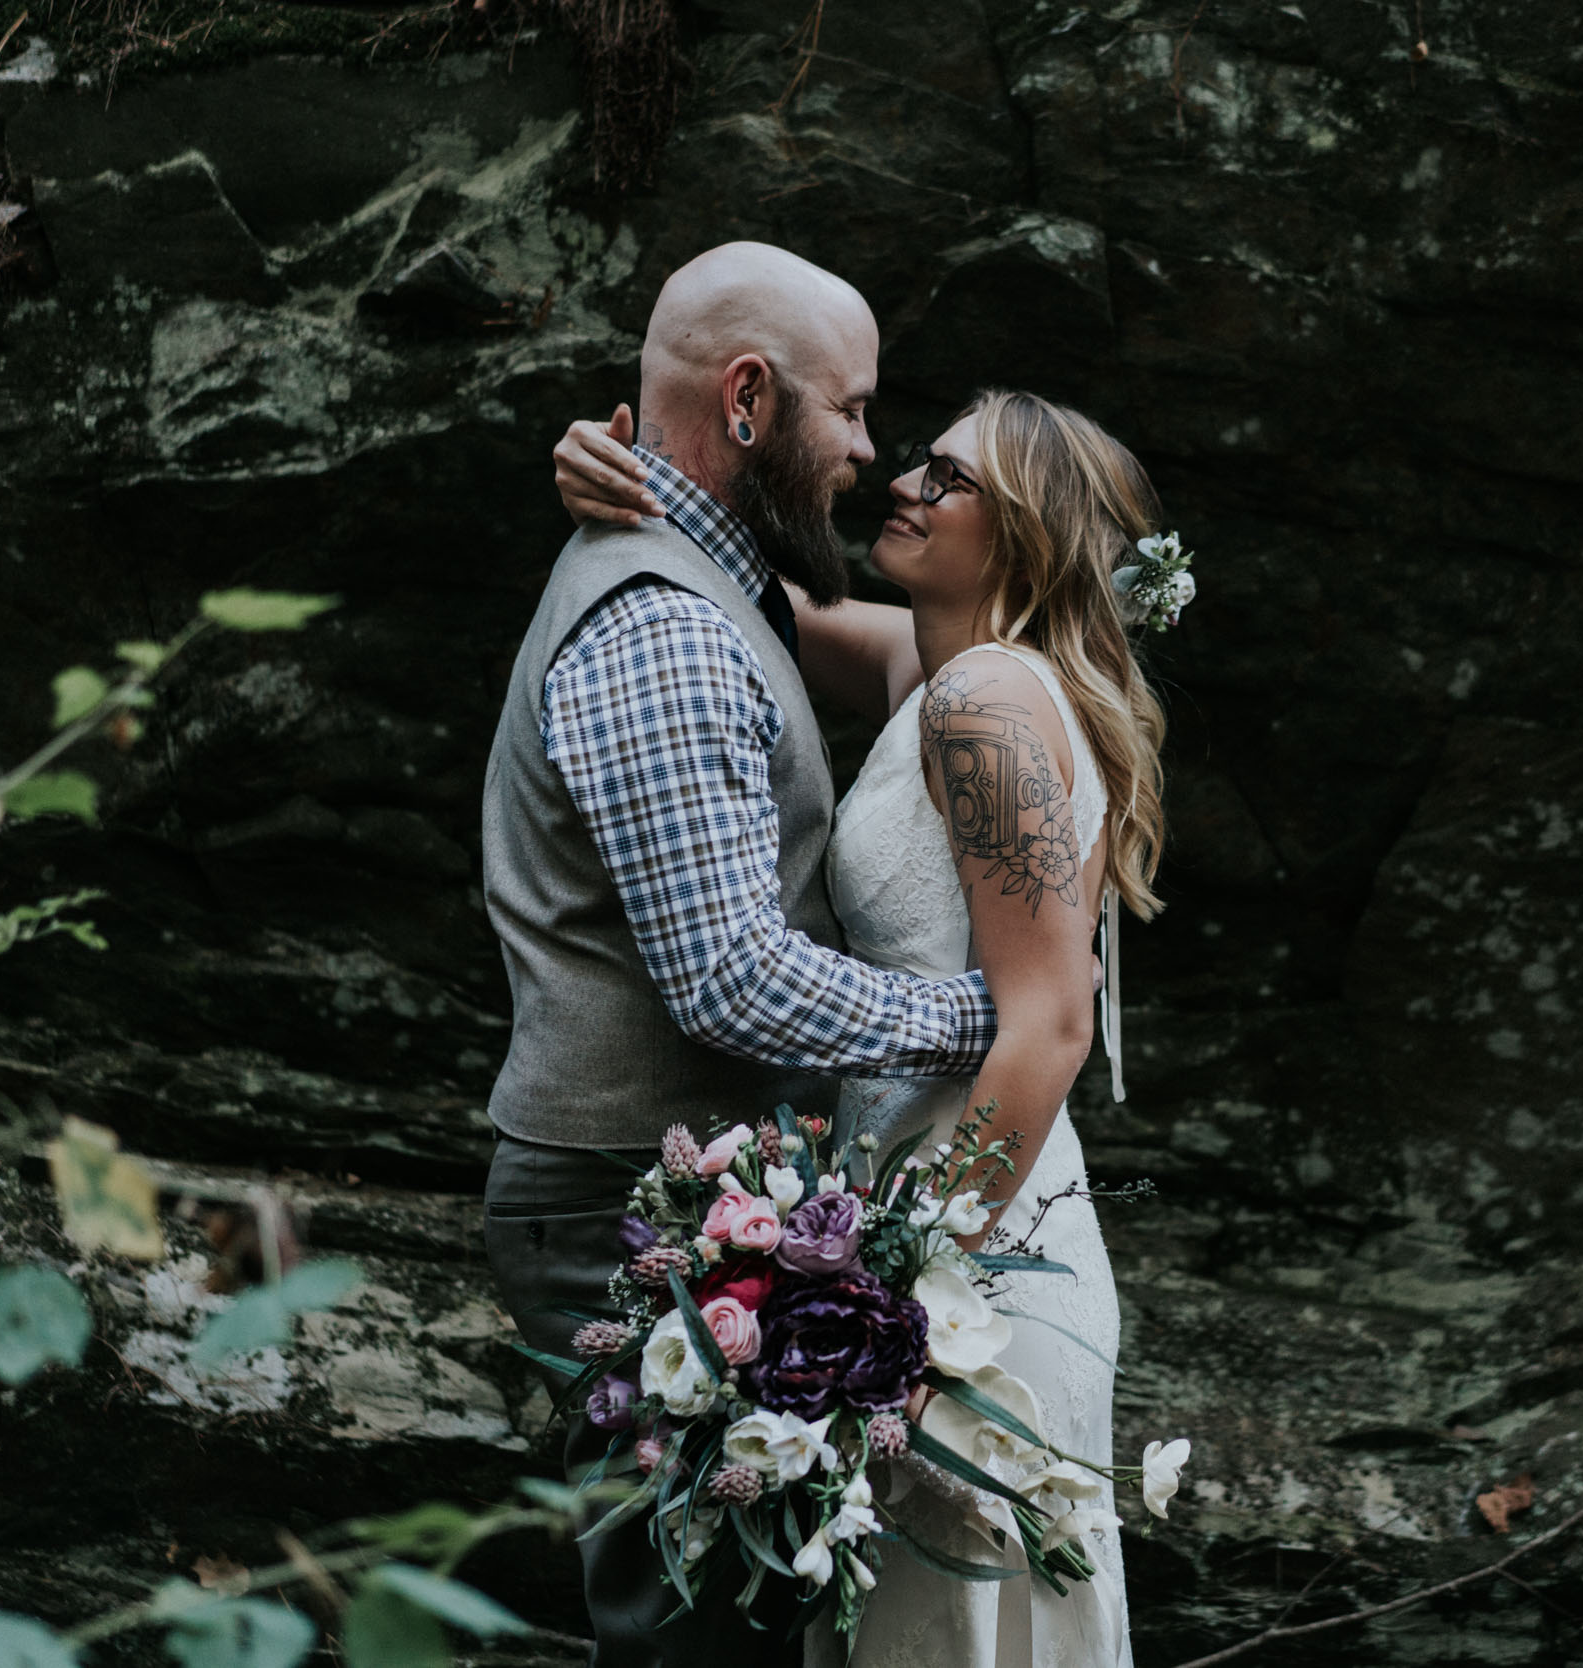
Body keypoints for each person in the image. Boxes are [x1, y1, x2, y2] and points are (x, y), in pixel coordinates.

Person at [554, 385, 1175, 1668]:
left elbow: (1050, 1025)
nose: (904, 482)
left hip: (974, 1248)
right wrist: (612, 475)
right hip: (922, 1214)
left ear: (1024, 534)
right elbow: (746, 597)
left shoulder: (985, 705)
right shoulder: (938, 672)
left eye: (947, 480)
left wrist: (903, 1295)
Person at [480, 241, 1005, 1668]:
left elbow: (932, 654)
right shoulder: (661, 628)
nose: (871, 449)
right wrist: (987, 1013)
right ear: (754, 400)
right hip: (618, 1206)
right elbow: (729, 980)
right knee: (688, 1636)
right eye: (851, 410)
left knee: (738, 1624)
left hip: (677, 1191)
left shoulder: (727, 582)